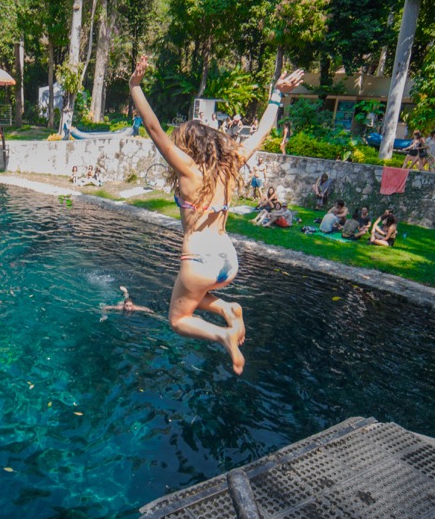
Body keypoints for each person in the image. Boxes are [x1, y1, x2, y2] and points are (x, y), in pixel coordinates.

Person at [130, 54, 304, 375]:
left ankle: (223, 334)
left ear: (188, 147)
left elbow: (153, 128)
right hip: (228, 261)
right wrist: (276, 96)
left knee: (179, 319)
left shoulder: (188, 169)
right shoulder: (231, 163)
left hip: (199, 260)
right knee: (189, 294)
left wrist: (135, 86)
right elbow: (261, 134)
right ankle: (227, 307)